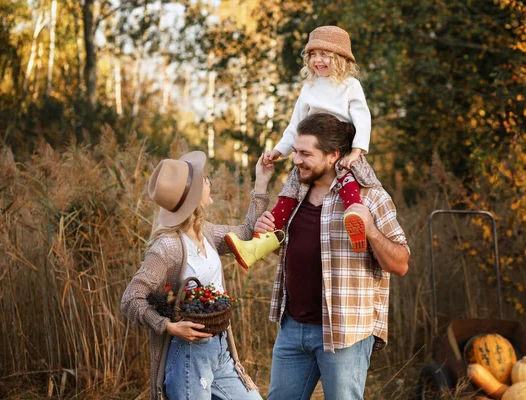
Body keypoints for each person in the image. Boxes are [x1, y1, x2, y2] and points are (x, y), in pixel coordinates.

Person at [259, 113, 410, 400]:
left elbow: (401, 263)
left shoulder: (370, 197)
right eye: (295, 152)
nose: (296, 160)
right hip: (292, 327)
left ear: (333, 156)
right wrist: (269, 234)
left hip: (345, 333)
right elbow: (287, 250)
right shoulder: (295, 193)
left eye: (306, 153)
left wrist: (371, 232)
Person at [120, 150, 272, 400]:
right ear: (192, 197)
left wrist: (261, 181)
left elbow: (245, 233)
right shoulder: (166, 248)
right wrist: (168, 326)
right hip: (188, 355)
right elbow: (130, 299)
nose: (209, 181)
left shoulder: (206, 232)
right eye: (204, 179)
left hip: (220, 349)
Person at [225, 25, 379, 269]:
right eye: (313, 54)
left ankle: (355, 221)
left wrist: (357, 151)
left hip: (340, 146)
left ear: (340, 57)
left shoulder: (350, 86)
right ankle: (257, 245)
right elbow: (295, 125)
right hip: (311, 147)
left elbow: (363, 119)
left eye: (324, 54)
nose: (318, 60)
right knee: (289, 193)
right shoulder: (309, 88)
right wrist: (279, 150)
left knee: (346, 178)